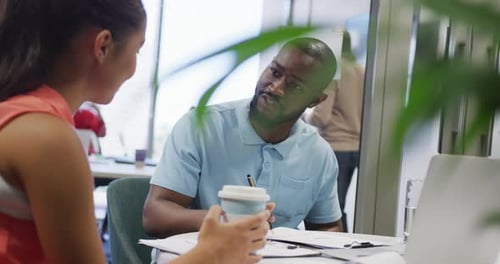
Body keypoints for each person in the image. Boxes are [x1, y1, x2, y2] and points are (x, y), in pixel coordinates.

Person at [0, 1, 268, 263]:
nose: (133, 68)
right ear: (103, 45)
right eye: (137, 50)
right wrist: (211, 254)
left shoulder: (18, 114)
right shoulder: (48, 139)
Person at [143, 37, 343, 241]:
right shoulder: (200, 126)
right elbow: (155, 216)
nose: (276, 88)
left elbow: (327, 227)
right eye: (275, 72)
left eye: (296, 87)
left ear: (315, 100)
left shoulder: (319, 153)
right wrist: (227, 221)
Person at [306, 31, 364, 232]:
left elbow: (321, 117)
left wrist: (303, 114)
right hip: (358, 147)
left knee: (332, 212)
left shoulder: (335, 73)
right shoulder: (361, 70)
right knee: (340, 207)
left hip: (336, 146)